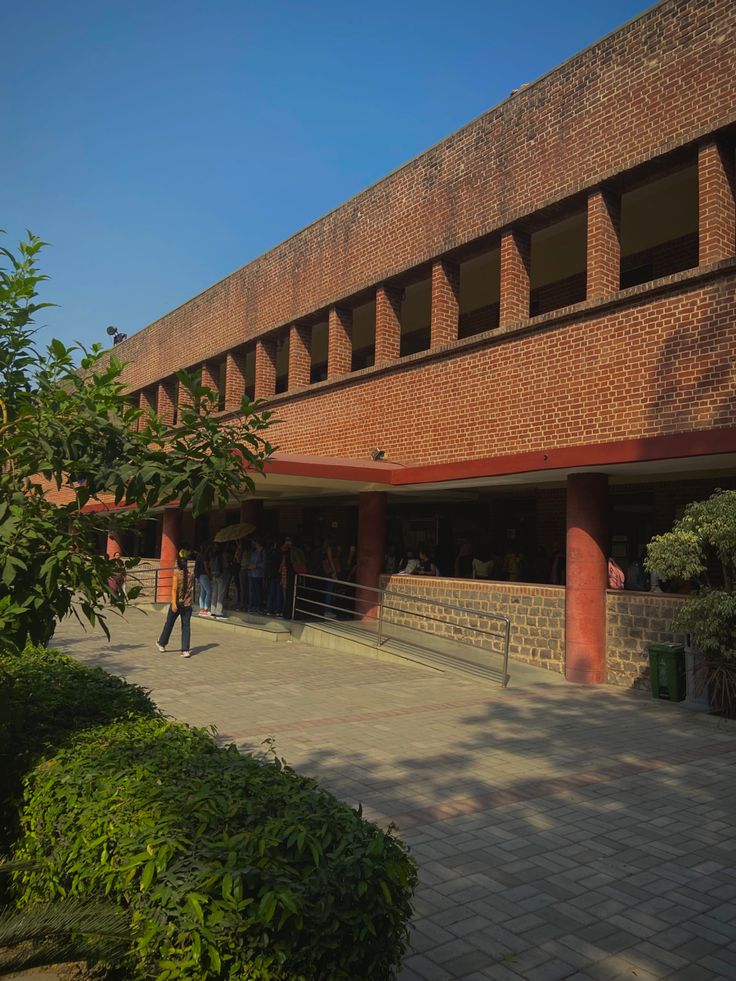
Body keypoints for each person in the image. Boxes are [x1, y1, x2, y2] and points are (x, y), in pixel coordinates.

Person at [156, 550, 194, 657]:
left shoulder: (176, 574)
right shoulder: (191, 575)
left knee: (169, 623)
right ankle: (185, 650)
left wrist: (173, 603)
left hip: (177, 603)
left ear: (178, 565)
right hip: (187, 604)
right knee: (186, 626)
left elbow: (174, 590)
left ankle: (162, 643)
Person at [246, 538, 265, 612]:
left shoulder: (262, 552)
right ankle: (252, 605)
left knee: (257, 591)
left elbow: (264, 564)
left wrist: (256, 565)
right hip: (251, 573)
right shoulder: (253, 552)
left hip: (258, 574)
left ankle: (258, 606)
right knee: (251, 591)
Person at [265, 541, 283, 616]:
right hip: (278, 575)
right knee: (278, 593)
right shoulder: (280, 555)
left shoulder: (270, 554)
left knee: (271, 592)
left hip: (272, 575)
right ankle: (277, 610)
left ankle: (269, 609)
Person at [210, 543, 228, 618]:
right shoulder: (222, 554)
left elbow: (210, 565)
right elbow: (226, 565)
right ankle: (218, 611)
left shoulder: (212, 555)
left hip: (214, 574)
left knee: (214, 593)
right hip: (221, 575)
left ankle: (212, 610)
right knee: (220, 594)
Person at [194, 544, 211, 616]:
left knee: (203, 592)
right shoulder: (205, 556)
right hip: (204, 575)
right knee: (209, 591)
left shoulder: (198, 556)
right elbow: (205, 565)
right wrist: (209, 574)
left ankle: (201, 609)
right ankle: (206, 609)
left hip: (199, 575)